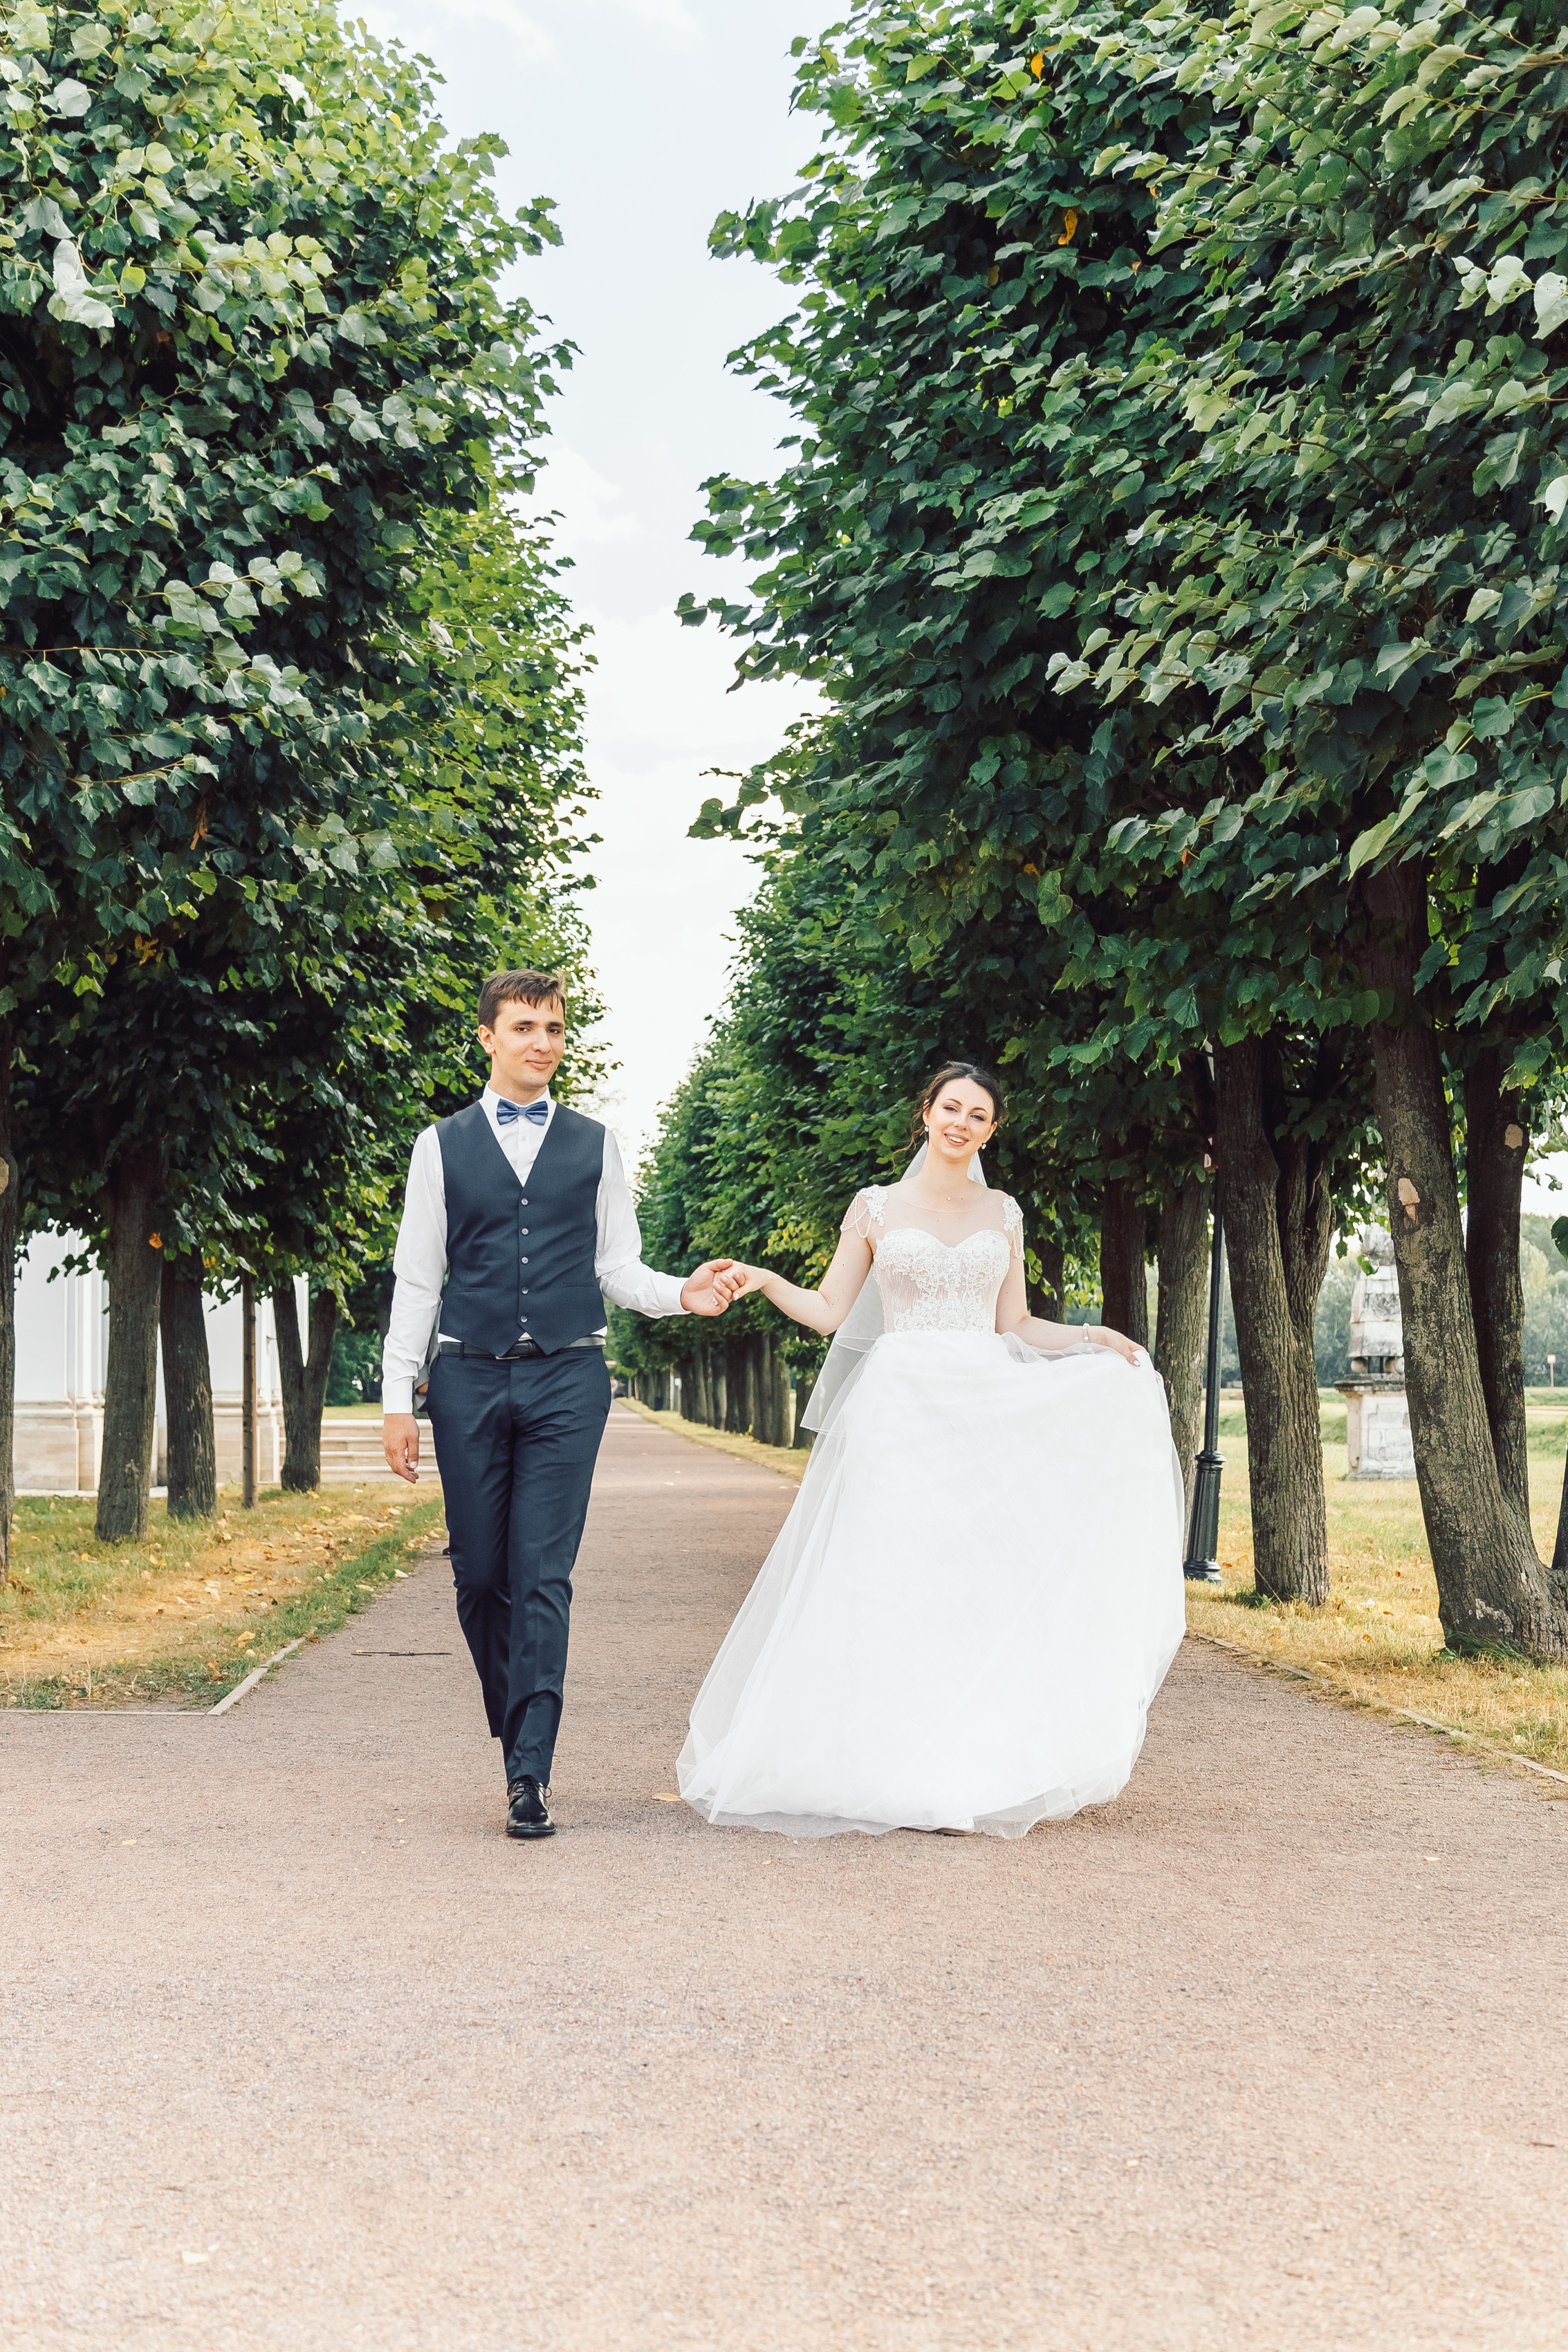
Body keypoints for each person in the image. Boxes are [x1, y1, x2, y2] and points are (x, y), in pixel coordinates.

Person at [679, 1063, 1186, 1839]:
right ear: (926, 1114)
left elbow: (1013, 1324)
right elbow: (827, 1311)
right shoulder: (875, 1207)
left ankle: (968, 1760)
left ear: (990, 1129)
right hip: (901, 1406)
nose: (960, 1122)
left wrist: (1092, 1336)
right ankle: (885, 1759)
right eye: (950, 1107)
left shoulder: (1003, 1211)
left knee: (972, 1578)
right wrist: (762, 1278)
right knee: (892, 1576)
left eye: (976, 1114)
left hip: (982, 1408)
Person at [382, 968, 740, 1840]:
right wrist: (399, 1397)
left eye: (552, 1027)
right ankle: (518, 1725)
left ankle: (529, 1771)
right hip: (465, 1376)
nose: (541, 1041)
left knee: (541, 1574)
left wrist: (678, 1294)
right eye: (523, 1026)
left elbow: (616, 1266)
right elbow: (418, 1278)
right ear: (488, 1038)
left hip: (567, 1380)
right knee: (478, 1577)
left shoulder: (595, 1144)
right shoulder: (440, 1145)